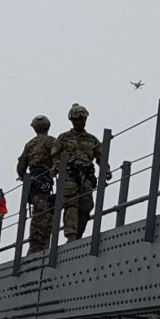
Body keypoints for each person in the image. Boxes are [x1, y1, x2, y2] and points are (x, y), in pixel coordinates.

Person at [52, 103, 111, 242]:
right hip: (69, 176)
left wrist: (106, 170)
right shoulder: (63, 138)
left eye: (82, 118)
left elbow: (101, 157)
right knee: (71, 204)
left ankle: (78, 235)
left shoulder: (92, 139)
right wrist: (56, 167)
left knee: (86, 206)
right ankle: (71, 235)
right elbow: (54, 155)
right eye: (77, 119)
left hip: (86, 177)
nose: (80, 121)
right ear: (72, 120)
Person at [17, 115, 59, 254]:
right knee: (45, 212)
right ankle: (39, 247)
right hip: (45, 179)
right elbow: (60, 158)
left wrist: (24, 177)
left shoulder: (29, 145)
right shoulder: (52, 141)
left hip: (33, 181)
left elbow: (20, 168)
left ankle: (36, 246)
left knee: (39, 211)